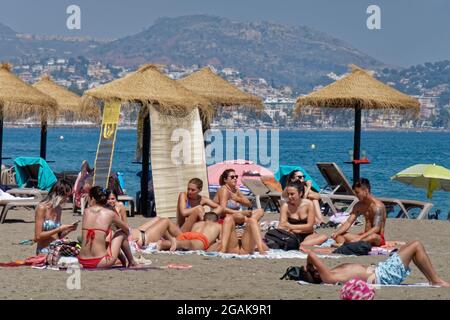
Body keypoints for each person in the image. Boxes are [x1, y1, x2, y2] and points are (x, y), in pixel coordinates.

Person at [301, 241, 450, 287]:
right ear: (315, 273)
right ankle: (435, 280)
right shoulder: (328, 278)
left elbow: (312, 258)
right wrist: (308, 265)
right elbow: (311, 255)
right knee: (416, 245)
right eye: (313, 268)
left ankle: (432, 278)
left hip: (381, 270)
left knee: (409, 247)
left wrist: (308, 268)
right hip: (383, 276)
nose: (316, 266)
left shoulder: (331, 273)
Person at [78, 186, 137, 269]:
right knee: (121, 233)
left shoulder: (86, 211)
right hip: (99, 262)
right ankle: (132, 262)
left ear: (93, 199)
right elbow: (127, 229)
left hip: (82, 261)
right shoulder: (110, 214)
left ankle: (125, 261)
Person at [106, 189, 180, 251]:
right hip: (142, 238)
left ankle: (175, 238)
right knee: (165, 221)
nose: (110, 201)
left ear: (116, 198)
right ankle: (175, 239)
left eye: (113, 199)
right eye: (108, 199)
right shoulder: (107, 211)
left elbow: (126, 225)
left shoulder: (119, 206)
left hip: (135, 232)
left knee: (158, 218)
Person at [331, 178, 386, 246]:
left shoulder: (378, 207)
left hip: (377, 239)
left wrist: (359, 238)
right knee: (339, 235)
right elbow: (348, 222)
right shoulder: (358, 205)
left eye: (357, 193)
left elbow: (376, 229)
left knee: (374, 236)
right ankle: (344, 244)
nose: (356, 195)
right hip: (364, 237)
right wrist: (337, 233)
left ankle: (348, 244)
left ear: (366, 191)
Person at [34, 180, 77, 255]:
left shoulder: (58, 208)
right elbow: (38, 236)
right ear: (58, 195)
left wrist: (68, 230)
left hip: (56, 250)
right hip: (44, 251)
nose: (67, 199)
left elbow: (57, 236)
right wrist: (59, 229)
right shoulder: (42, 207)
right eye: (66, 196)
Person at [278, 182, 327, 247]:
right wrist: (299, 228)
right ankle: (301, 244)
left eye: (292, 194)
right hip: (292, 234)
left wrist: (290, 226)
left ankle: (300, 244)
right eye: (288, 194)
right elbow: (282, 225)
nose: (289, 197)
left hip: (308, 235)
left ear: (300, 193)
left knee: (324, 237)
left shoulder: (308, 204)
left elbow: (310, 226)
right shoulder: (285, 206)